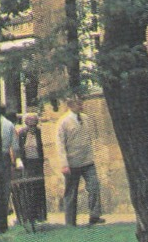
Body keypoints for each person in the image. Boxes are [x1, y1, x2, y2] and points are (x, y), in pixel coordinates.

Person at [56, 95, 105, 226]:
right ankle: (70, 221)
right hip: (72, 163)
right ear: (71, 105)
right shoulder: (63, 122)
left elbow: (91, 138)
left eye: (81, 103)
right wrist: (64, 164)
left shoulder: (86, 119)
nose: (81, 106)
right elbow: (60, 145)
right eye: (78, 104)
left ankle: (94, 215)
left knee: (94, 187)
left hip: (88, 161)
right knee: (71, 192)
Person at [12, 111, 47, 224]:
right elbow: (17, 149)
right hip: (27, 164)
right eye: (30, 121)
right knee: (27, 189)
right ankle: (27, 216)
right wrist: (19, 162)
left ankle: (40, 215)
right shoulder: (21, 133)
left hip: (37, 163)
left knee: (39, 189)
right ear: (26, 122)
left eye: (34, 121)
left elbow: (41, 147)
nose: (32, 124)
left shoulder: (39, 132)